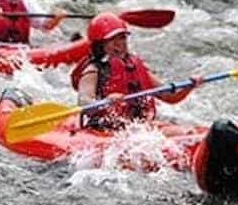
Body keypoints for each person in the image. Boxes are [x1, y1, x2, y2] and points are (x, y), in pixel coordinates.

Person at [70, 12, 202, 129]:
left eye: (122, 37)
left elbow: (169, 96)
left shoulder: (133, 66)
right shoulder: (93, 71)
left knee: (189, 131)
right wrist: (105, 102)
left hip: (138, 129)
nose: (119, 44)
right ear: (100, 45)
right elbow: (84, 102)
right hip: (107, 130)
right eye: (112, 39)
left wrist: (189, 86)